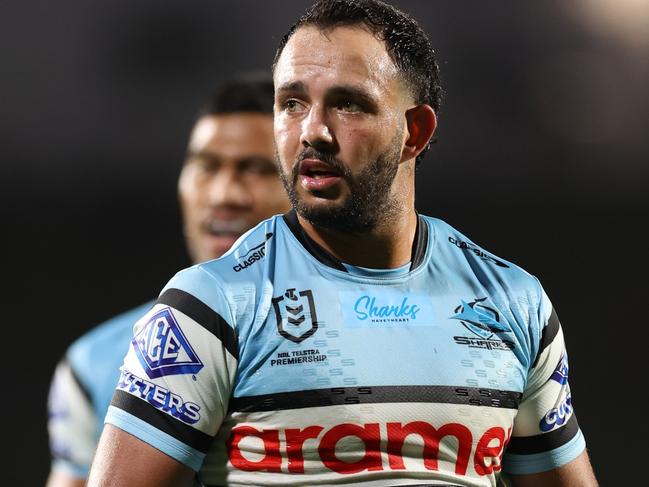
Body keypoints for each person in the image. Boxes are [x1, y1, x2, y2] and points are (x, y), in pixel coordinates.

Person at [87, 1, 599, 486]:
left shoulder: (513, 301)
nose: (313, 131)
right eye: (292, 103)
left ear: (413, 132)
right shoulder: (211, 306)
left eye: (348, 104)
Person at [46, 73, 290, 487]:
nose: (223, 194)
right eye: (206, 166)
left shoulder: (367, 337)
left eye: (256, 169)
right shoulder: (93, 364)